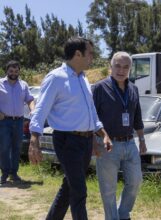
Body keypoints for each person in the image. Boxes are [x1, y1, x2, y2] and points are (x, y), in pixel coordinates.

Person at [28, 37, 112, 220]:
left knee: (70, 187)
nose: (93, 56)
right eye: (90, 53)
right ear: (77, 54)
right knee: (79, 191)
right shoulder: (56, 77)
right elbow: (41, 109)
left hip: (84, 141)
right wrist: (34, 140)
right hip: (67, 141)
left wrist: (102, 134)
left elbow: (91, 112)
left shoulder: (83, 78)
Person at [92, 51, 146, 220]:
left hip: (130, 143)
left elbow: (137, 116)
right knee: (108, 188)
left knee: (136, 181)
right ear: (111, 66)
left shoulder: (134, 89)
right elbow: (92, 117)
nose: (121, 70)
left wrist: (142, 140)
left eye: (126, 67)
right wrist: (94, 142)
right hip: (107, 145)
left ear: (130, 69)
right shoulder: (99, 88)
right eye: (117, 66)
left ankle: (123, 214)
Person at [0, 60, 35, 185]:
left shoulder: (23, 85)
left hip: (19, 121)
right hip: (4, 122)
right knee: (4, 148)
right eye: (11, 71)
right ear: (7, 71)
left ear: (19, 71)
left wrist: (33, 110)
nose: (14, 73)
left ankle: (14, 173)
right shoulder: (0, 83)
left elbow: (30, 99)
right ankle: (4, 173)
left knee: (17, 147)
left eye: (16, 71)